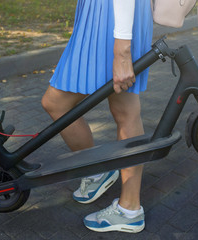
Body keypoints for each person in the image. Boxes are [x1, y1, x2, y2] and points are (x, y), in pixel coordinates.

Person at [41, 0, 153, 233]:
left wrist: (122, 49)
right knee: (125, 108)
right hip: (105, 14)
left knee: (59, 103)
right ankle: (100, 174)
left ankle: (129, 207)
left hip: (113, 16)